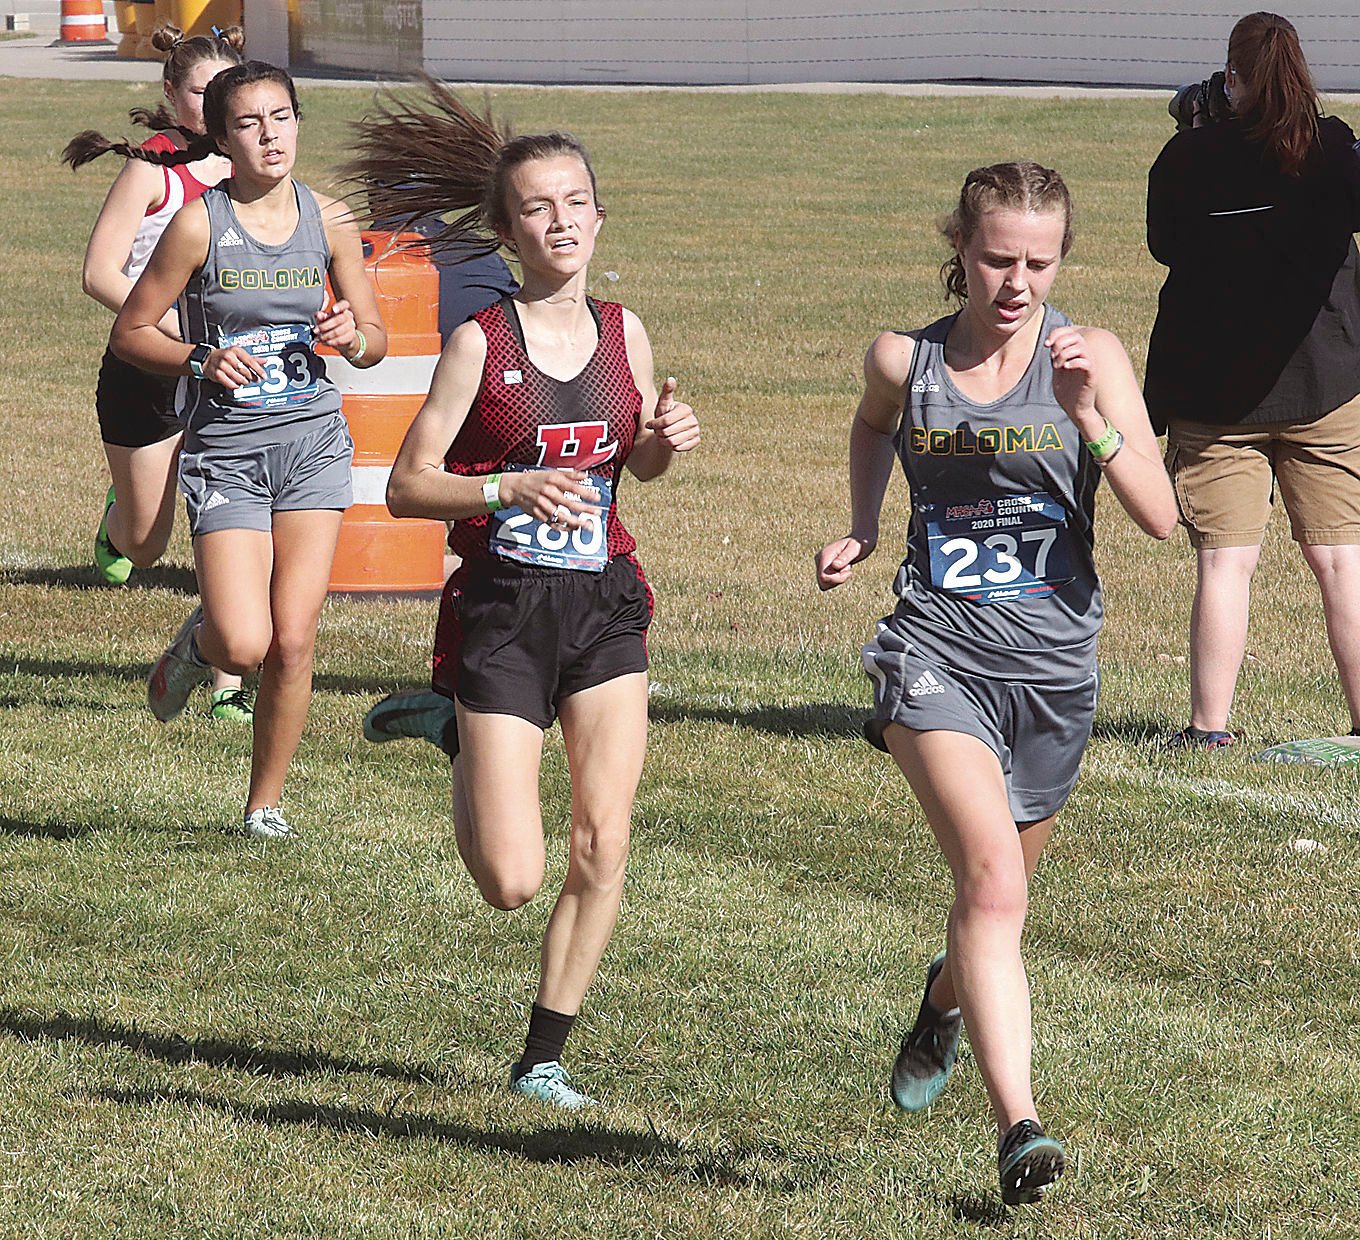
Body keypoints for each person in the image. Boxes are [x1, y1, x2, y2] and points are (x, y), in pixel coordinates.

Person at [816, 162, 1176, 1204]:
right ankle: (1019, 1126)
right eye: (994, 258)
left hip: (1054, 669)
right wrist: (864, 523)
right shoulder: (906, 356)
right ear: (958, 251)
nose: (1015, 282)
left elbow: (1158, 515)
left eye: (1038, 261)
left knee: (993, 904)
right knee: (992, 882)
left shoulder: (1090, 354)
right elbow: (874, 422)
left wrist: (1087, 416)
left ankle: (938, 1004)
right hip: (933, 651)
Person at [343, 82, 700, 1108]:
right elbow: (409, 485)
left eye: (577, 201)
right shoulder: (481, 345)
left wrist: (657, 444)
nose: (562, 222)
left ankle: (544, 1052)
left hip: (603, 604)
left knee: (606, 836)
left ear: (599, 214)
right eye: (538, 207)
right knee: (510, 880)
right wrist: (504, 486)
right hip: (500, 608)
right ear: (508, 229)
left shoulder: (627, 334)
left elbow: (628, 468)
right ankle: (459, 727)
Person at [110, 62, 387, 838]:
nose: (271, 136)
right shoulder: (201, 223)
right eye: (248, 124)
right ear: (221, 138)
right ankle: (197, 645)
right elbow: (130, 332)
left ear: (299, 121)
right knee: (244, 639)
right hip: (227, 449)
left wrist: (353, 336)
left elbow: (375, 338)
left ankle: (265, 806)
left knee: (293, 641)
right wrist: (200, 358)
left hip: (312, 444)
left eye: (282, 118)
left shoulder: (327, 217)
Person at [1145, 11, 1360, 748]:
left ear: (1232, 77)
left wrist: (1198, 135)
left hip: (1214, 394)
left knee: (1226, 563)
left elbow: (1164, 244)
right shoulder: (1333, 148)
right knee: (1340, 561)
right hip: (1326, 381)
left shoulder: (1189, 158)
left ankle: (1209, 729)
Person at [63, 24, 251, 722]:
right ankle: (120, 522)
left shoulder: (251, 169)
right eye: (202, 92)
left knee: (232, 523)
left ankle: (228, 681)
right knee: (148, 544)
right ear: (172, 96)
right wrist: (170, 329)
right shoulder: (151, 169)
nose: (217, 103)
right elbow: (98, 273)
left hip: (232, 375)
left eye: (228, 89)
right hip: (148, 368)